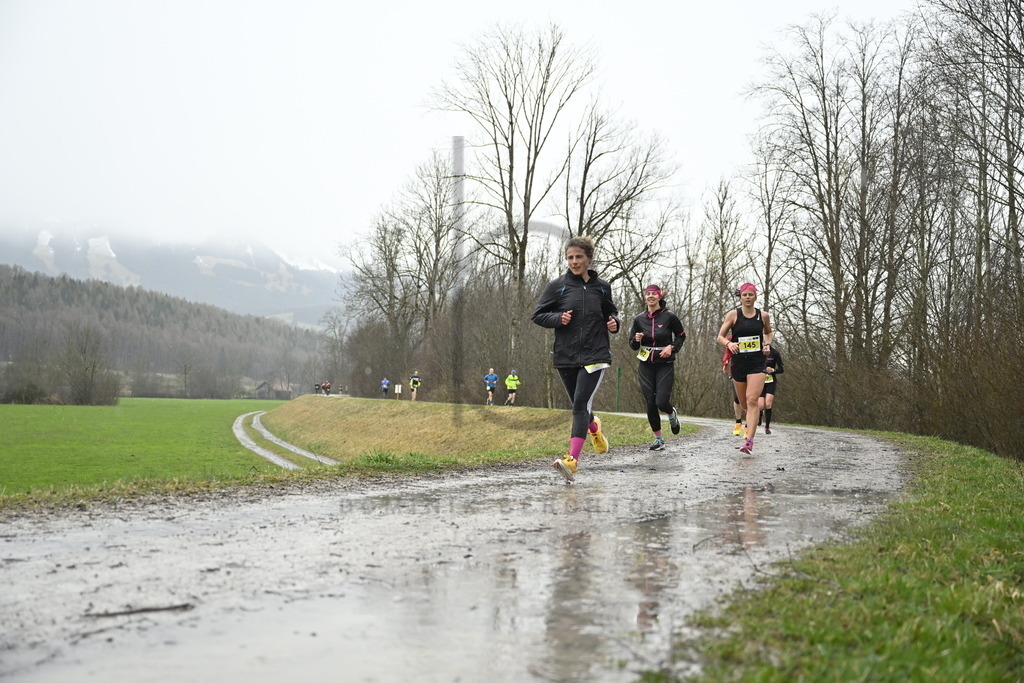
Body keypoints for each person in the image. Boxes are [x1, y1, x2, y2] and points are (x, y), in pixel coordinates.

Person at [532, 235, 619, 481]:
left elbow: (611, 312)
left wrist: (614, 323)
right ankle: (594, 428)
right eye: (570, 257)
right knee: (580, 406)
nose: (574, 261)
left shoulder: (602, 287)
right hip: (566, 354)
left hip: (596, 353)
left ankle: (572, 461)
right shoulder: (557, 286)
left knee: (580, 405)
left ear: (589, 258)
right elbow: (538, 315)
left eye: (579, 257)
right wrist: (558, 319)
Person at [717, 283, 773, 454]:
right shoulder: (733, 315)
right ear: (740, 297)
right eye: (745, 295)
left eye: (751, 294)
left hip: (757, 363)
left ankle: (749, 440)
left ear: (755, 297)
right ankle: (750, 420)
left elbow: (769, 333)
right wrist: (729, 343)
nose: (748, 297)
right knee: (743, 403)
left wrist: (767, 344)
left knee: (752, 400)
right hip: (739, 363)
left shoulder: (763, 316)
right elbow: (720, 337)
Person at [628, 284, 686, 450]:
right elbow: (632, 345)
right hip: (645, 363)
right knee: (650, 402)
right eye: (648, 294)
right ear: (645, 297)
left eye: (654, 294)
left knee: (661, 401)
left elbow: (681, 336)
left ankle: (671, 413)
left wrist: (672, 347)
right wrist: (637, 339)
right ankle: (659, 439)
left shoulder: (670, 317)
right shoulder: (639, 319)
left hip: (664, 363)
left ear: (660, 297)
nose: (651, 296)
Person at [758, 345, 784, 434]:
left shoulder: (775, 353)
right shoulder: (757, 351)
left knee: (768, 404)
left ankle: (767, 427)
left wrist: (773, 370)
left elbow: (781, 369)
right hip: (759, 381)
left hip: (771, 382)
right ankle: (759, 415)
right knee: (760, 406)